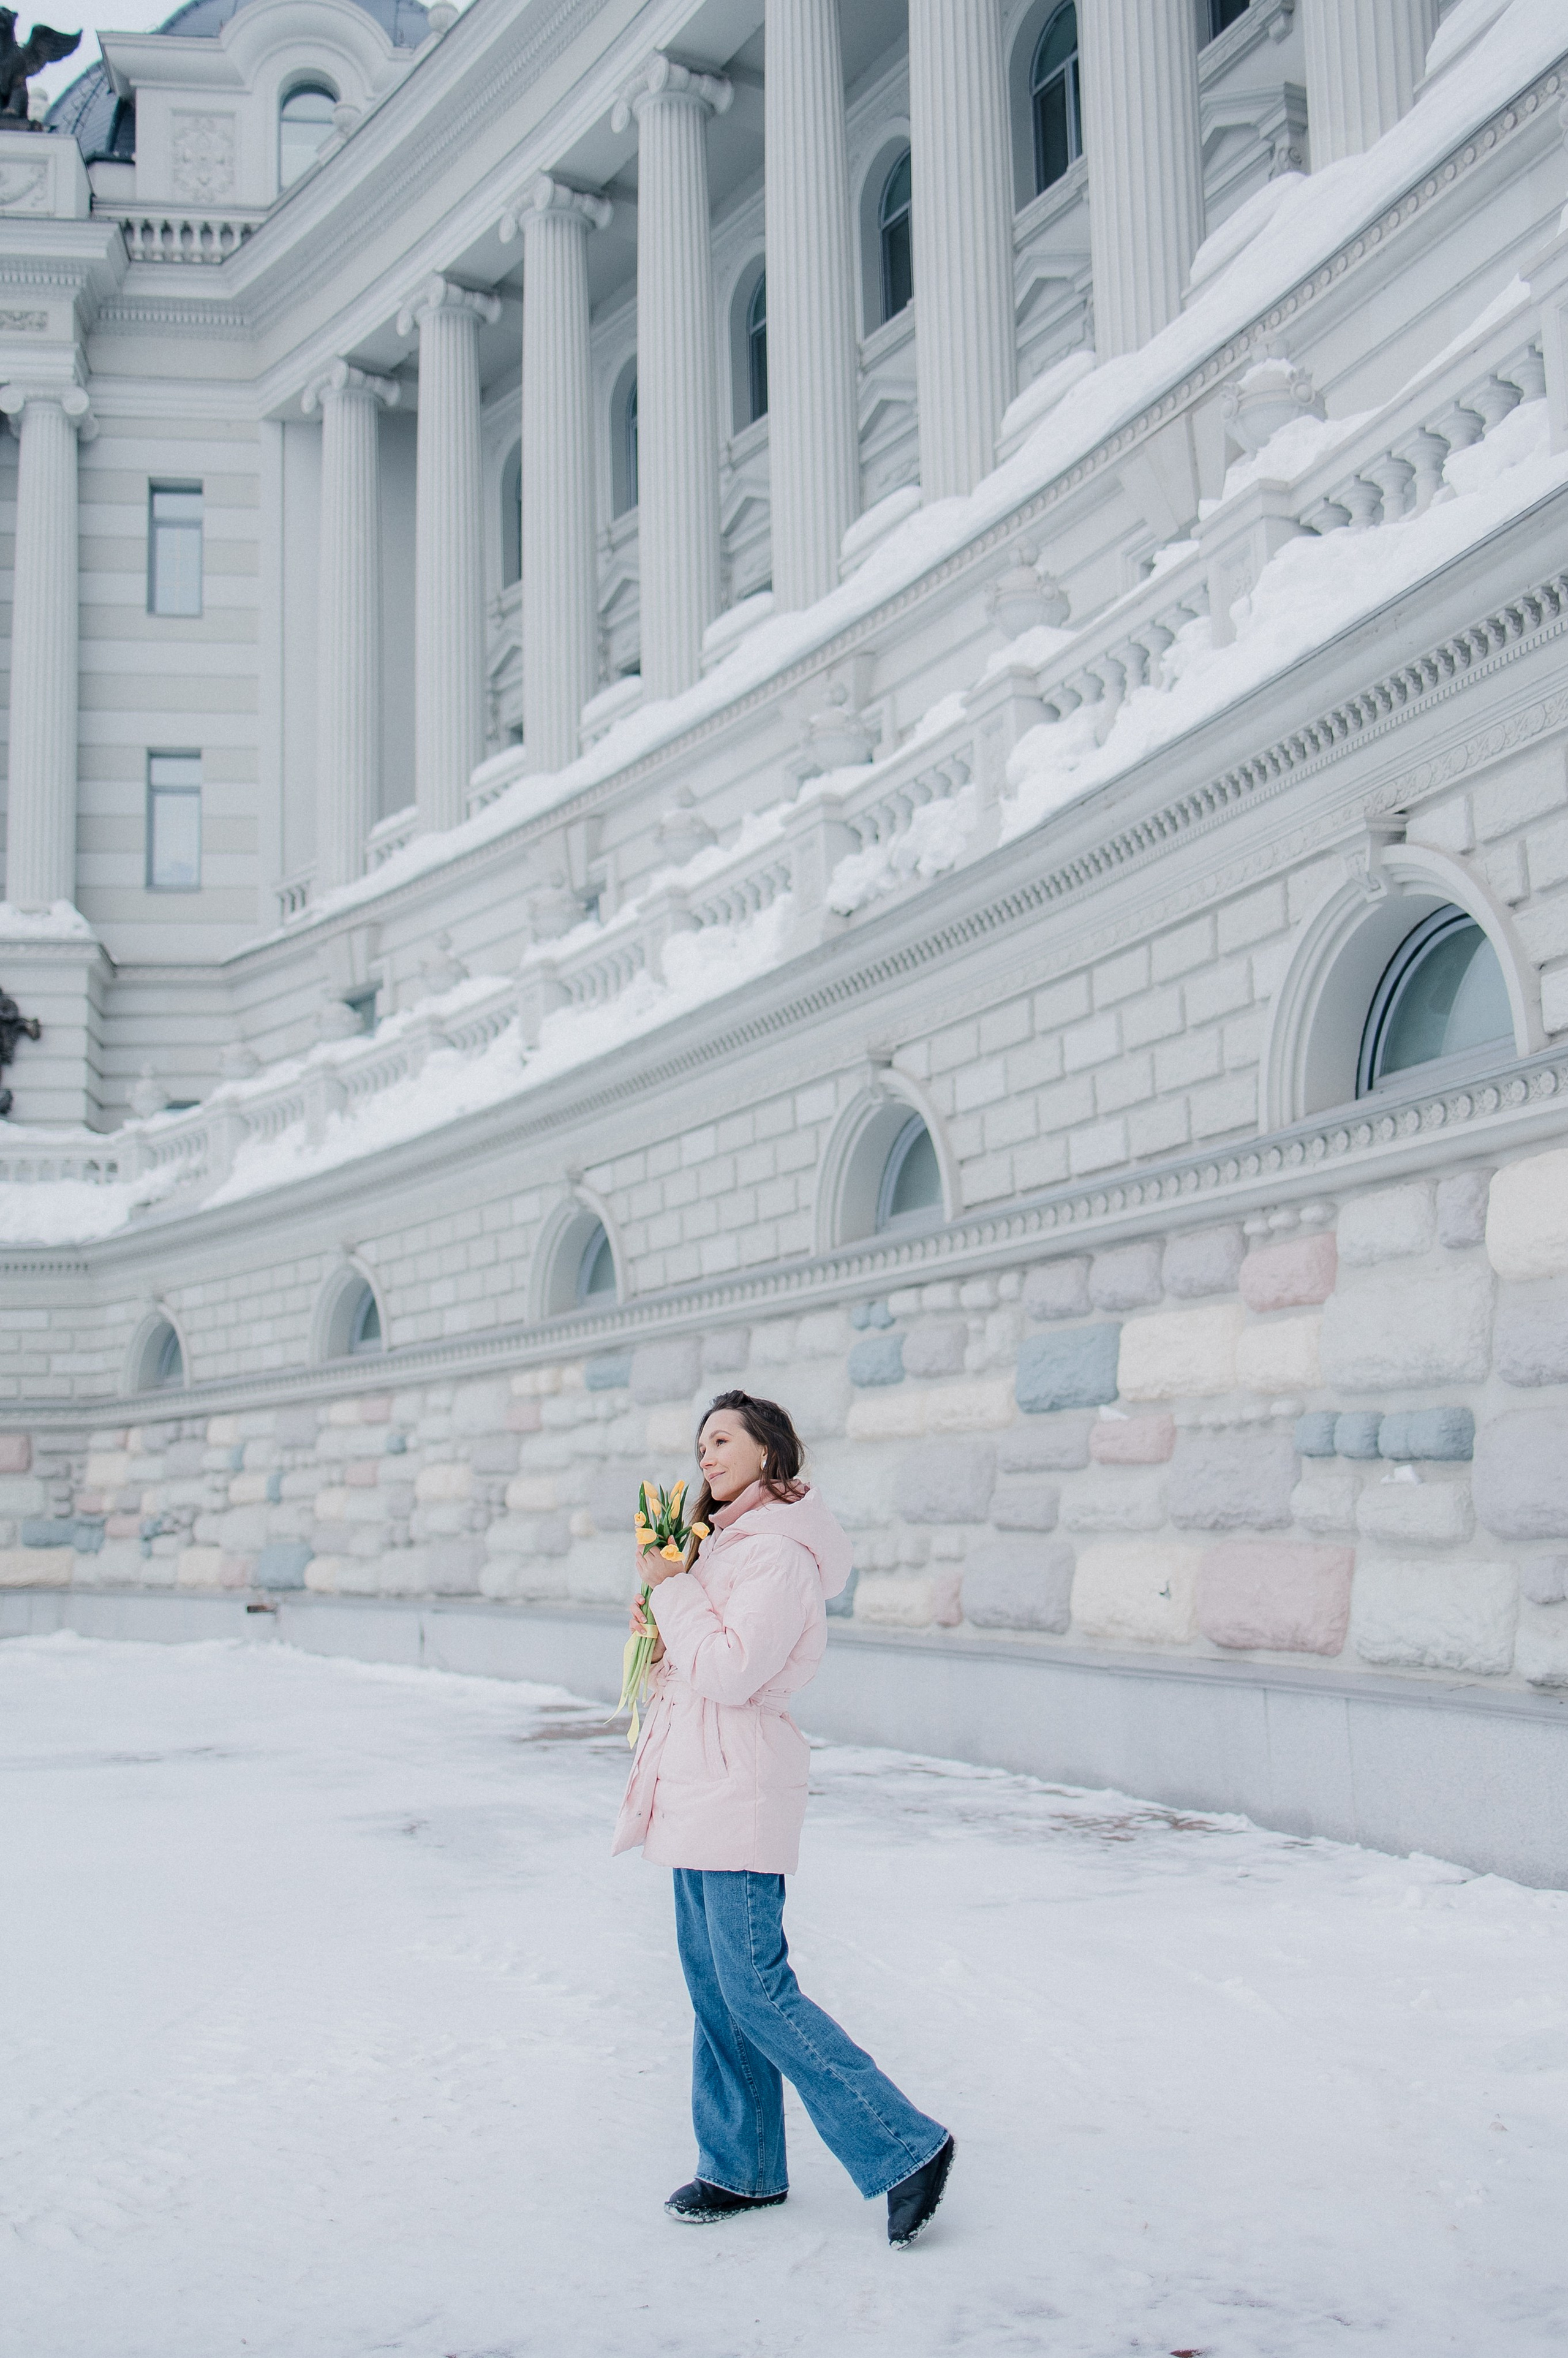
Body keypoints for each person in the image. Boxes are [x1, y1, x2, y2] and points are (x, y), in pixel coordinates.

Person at [612, 1388, 955, 2250]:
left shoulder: (777, 1557)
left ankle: (907, 2144)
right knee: (715, 1991)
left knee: (758, 1989)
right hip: (698, 1783)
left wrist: (676, 1595)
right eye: (700, 1444)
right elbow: (690, 1672)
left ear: (767, 1450)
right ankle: (744, 2165)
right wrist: (654, 1627)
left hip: (739, 1785)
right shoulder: (720, 1548)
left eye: (722, 1438)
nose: (706, 1455)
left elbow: (732, 1671)